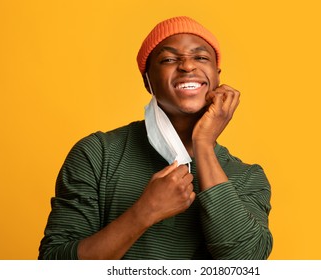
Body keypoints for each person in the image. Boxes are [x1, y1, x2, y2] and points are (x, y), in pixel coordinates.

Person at [38, 16, 273, 260]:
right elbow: (54, 263)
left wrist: (203, 145)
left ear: (216, 75)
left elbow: (246, 262)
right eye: (169, 59)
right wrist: (144, 212)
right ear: (147, 81)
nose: (187, 66)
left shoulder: (247, 176)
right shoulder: (98, 154)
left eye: (201, 57)